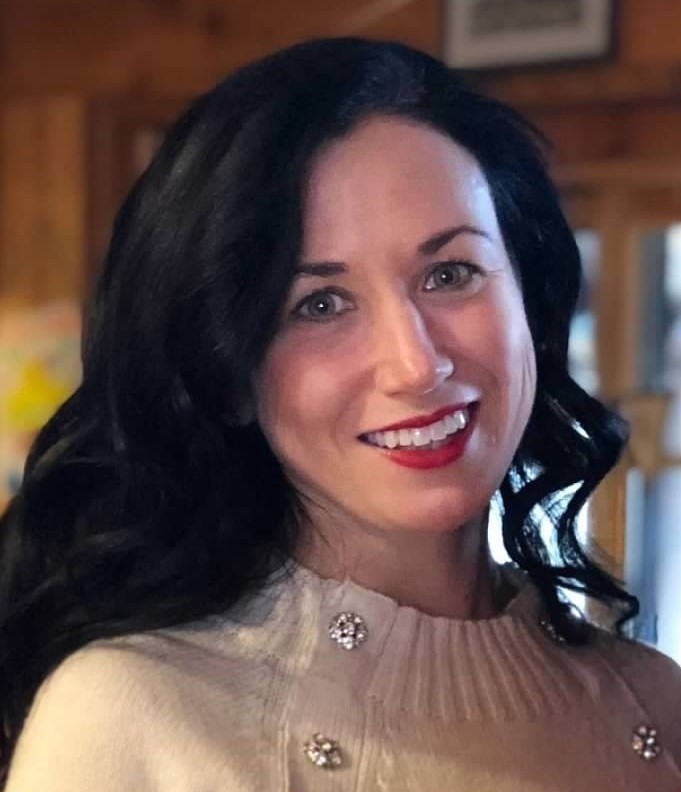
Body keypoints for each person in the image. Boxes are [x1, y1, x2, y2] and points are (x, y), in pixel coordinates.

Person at [1, 37, 680, 791]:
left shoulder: (654, 701)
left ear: (531, 299)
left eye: (449, 273)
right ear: (228, 373)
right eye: (319, 304)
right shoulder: (133, 717)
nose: (416, 364)